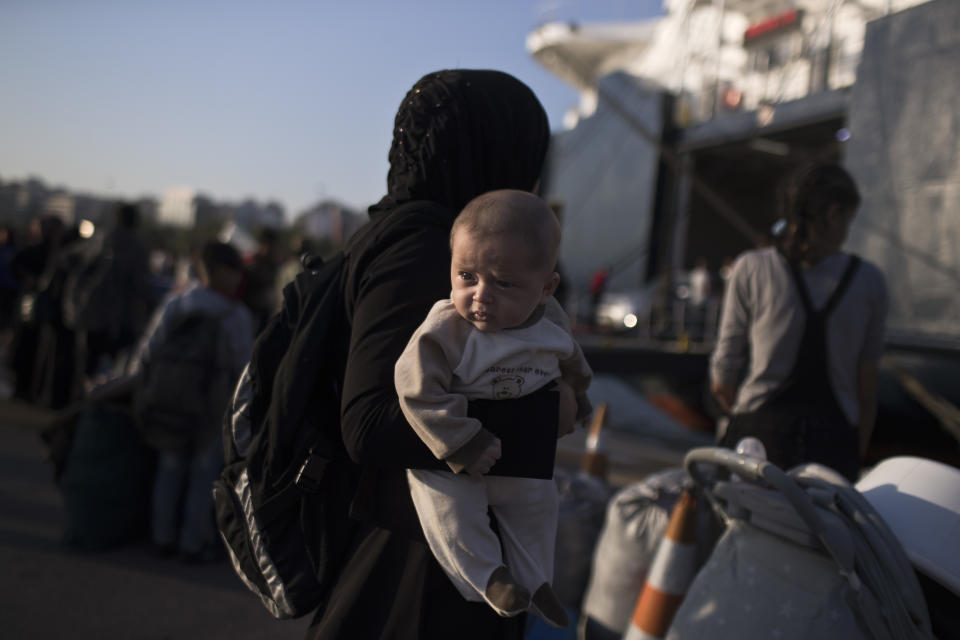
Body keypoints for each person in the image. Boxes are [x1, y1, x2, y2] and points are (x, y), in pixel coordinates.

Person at [306, 69, 575, 640]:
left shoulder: (416, 233)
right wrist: (546, 417)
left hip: (415, 555)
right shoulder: (430, 245)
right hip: (417, 572)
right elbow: (370, 421)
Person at [395, 190, 592, 628]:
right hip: (458, 459)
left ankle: (537, 581)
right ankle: (488, 577)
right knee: (446, 507)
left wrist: (577, 397)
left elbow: (573, 361)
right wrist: (461, 441)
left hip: (518, 463)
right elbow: (414, 388)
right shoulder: (447, 329)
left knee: (540, 505)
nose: (481, 295)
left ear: (546, 289)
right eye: (467, 275)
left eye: (503, 283)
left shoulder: (551, 323)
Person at [709, 163, 888, 481]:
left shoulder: (750, 268)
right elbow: (867, 387)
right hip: (833, 447)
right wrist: (853, 451)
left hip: (759, 441)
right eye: (848, 220)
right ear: (834, 215)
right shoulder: (870, 281)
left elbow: (723, 377)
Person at [128, 241, 254, 562]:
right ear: (223, 271)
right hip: (212, 408)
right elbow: (245, 372)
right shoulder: (235, 315)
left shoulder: (178, 303)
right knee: (203, 474)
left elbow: (148, 350)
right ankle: (192, 543)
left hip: (169, 400)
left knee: (168, 468)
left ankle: (161, 536)